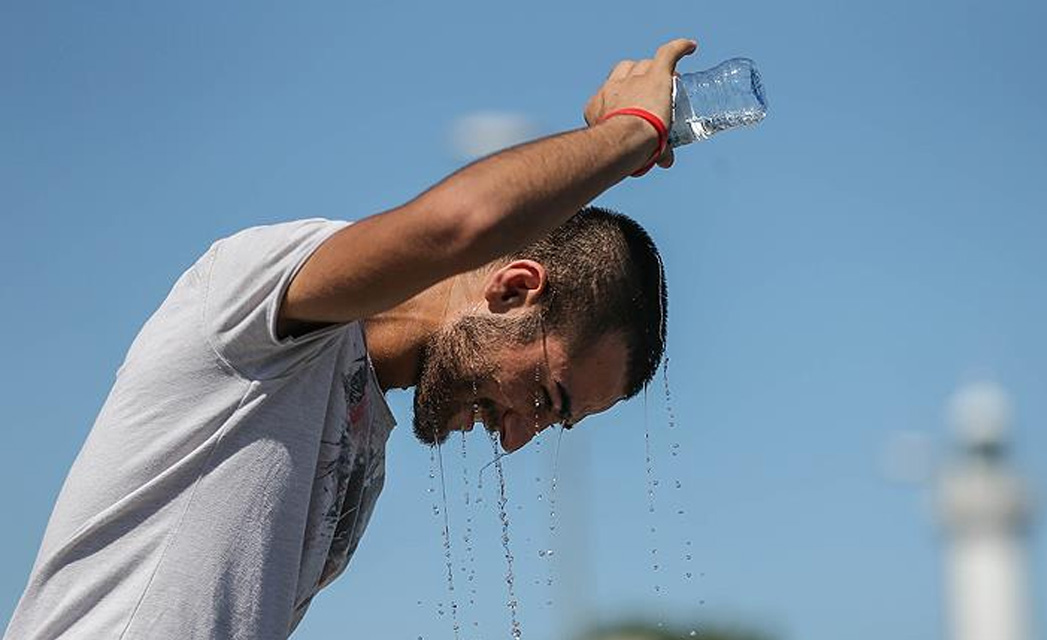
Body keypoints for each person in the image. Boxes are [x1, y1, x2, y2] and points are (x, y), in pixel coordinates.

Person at [5, 38, 698, 640]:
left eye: (554, 424)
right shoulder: (265, 312)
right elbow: (461, 224)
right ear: (513, 290)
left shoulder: (364, 453)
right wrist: (632, 131)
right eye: (547, 397)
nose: (517, 438)